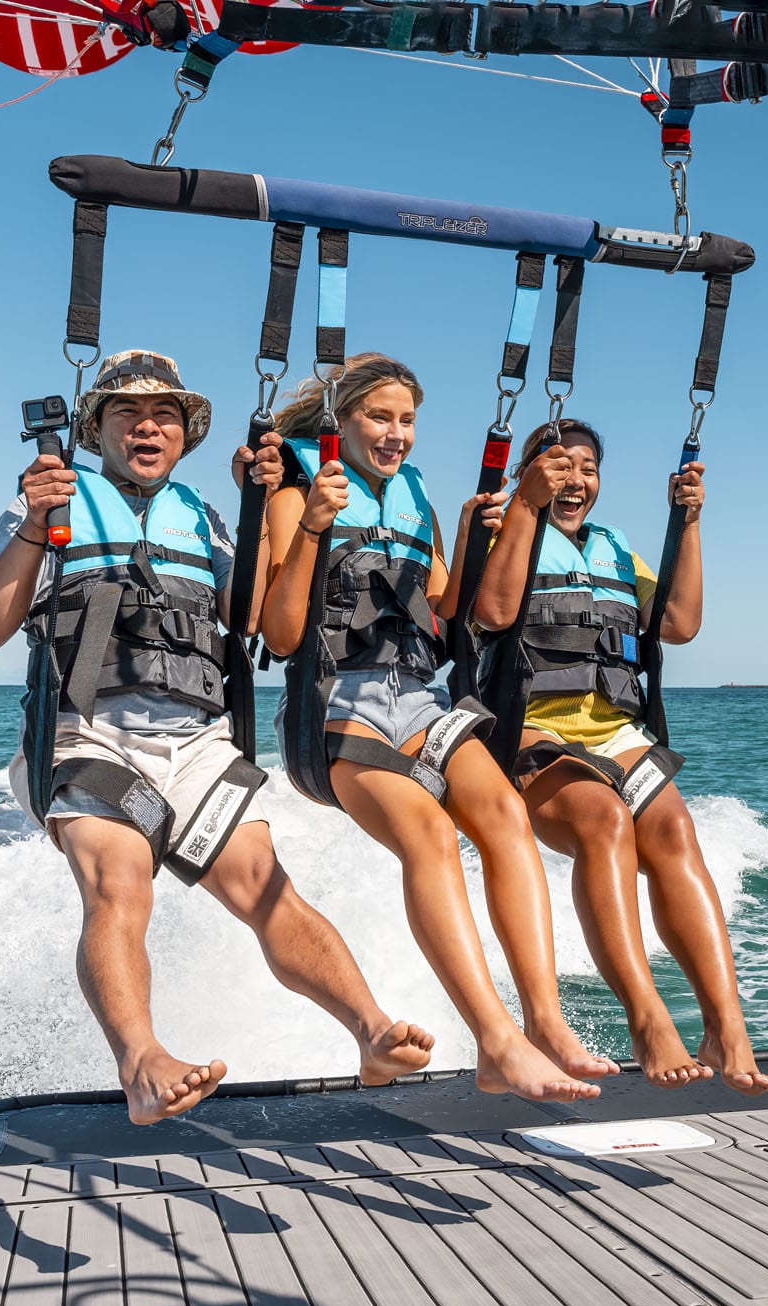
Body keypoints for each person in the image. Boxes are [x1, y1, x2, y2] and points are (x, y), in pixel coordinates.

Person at [0, 349, 433, 1125]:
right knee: (120, 878)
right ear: (97, 428)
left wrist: (273, 503)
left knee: (264, 882)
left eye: (165, 416)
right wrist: (35, 526)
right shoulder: (48, 501)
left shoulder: (207, 519)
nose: (148, 427)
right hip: (86, 733)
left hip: (194, 742)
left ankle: (372, 1031)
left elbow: (255, 623)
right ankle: (143, 1061)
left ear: (184, 436)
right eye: (127, 413)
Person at [259, 353, 618, 1104]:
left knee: (505, 817)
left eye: (408, 420)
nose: (396, 435)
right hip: (339, 706)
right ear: (342, 421)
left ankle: (544, 1021)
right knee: (428, 834)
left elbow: (449, 610)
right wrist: (316, 528)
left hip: (419, 701)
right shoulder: (296, 490)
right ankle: (495, 1040)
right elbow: (283, 635)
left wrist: (468, 528)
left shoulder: (413, 494)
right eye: (379, 417)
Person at [470, 420, 768, 1094]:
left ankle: (726, 1023)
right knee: (605, 821)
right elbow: (491, 610)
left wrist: (687, 521)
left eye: (587, 467)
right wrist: (521, 502)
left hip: (617, 734)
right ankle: (647, 1016)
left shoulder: (613, 550)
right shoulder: (498, 528)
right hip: (530, 733)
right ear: (529, 471)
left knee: (672, 827)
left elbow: (679, 623)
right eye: (558, 465)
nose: (574, 479)